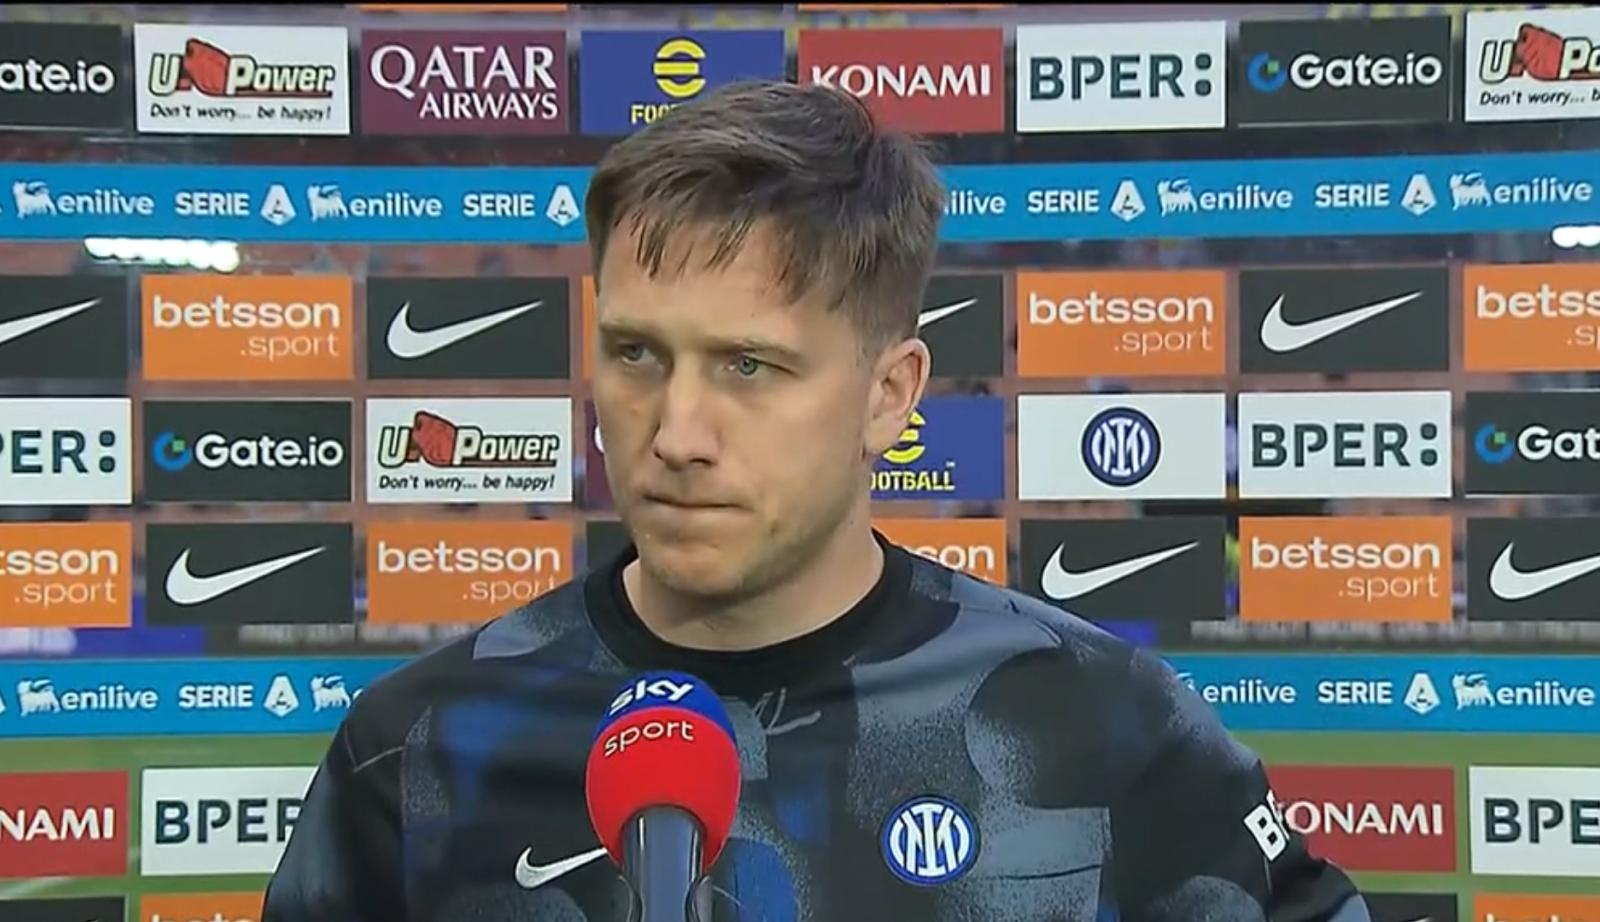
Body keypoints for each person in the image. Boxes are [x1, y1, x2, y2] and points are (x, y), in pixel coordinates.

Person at [263, 80, 1370, 922]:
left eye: (749, 366)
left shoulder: (1105, 726)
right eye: (637, 354)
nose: (676, 434)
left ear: (890, 395)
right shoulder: (413, 752)